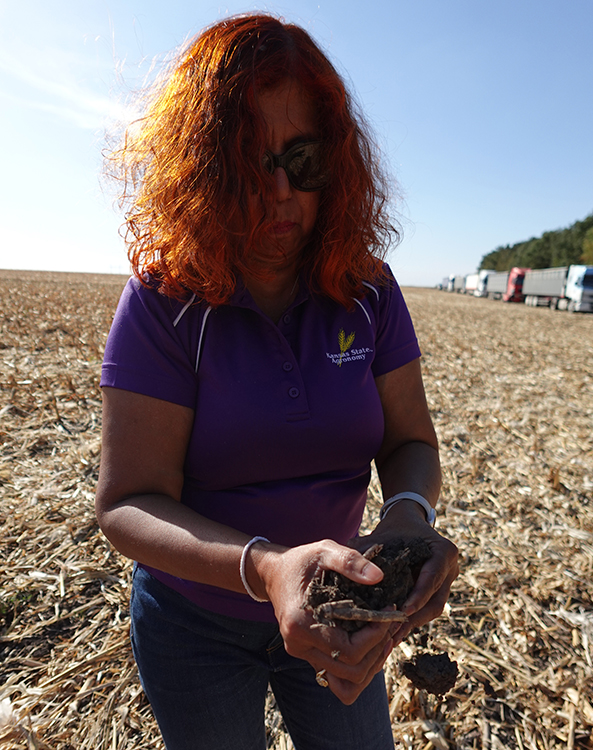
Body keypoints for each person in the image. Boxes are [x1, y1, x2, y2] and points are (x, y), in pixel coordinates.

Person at [96, 12, 458, 750]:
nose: (281, 192)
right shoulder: (167, 302)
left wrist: (407, 519)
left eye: (304, 159)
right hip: (193, 626)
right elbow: (128, 503)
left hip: (341, 612)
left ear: (338, 163)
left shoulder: (369, 290)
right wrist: (265, 569)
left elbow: (411, 441)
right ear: (203, 171)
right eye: (247, 164)